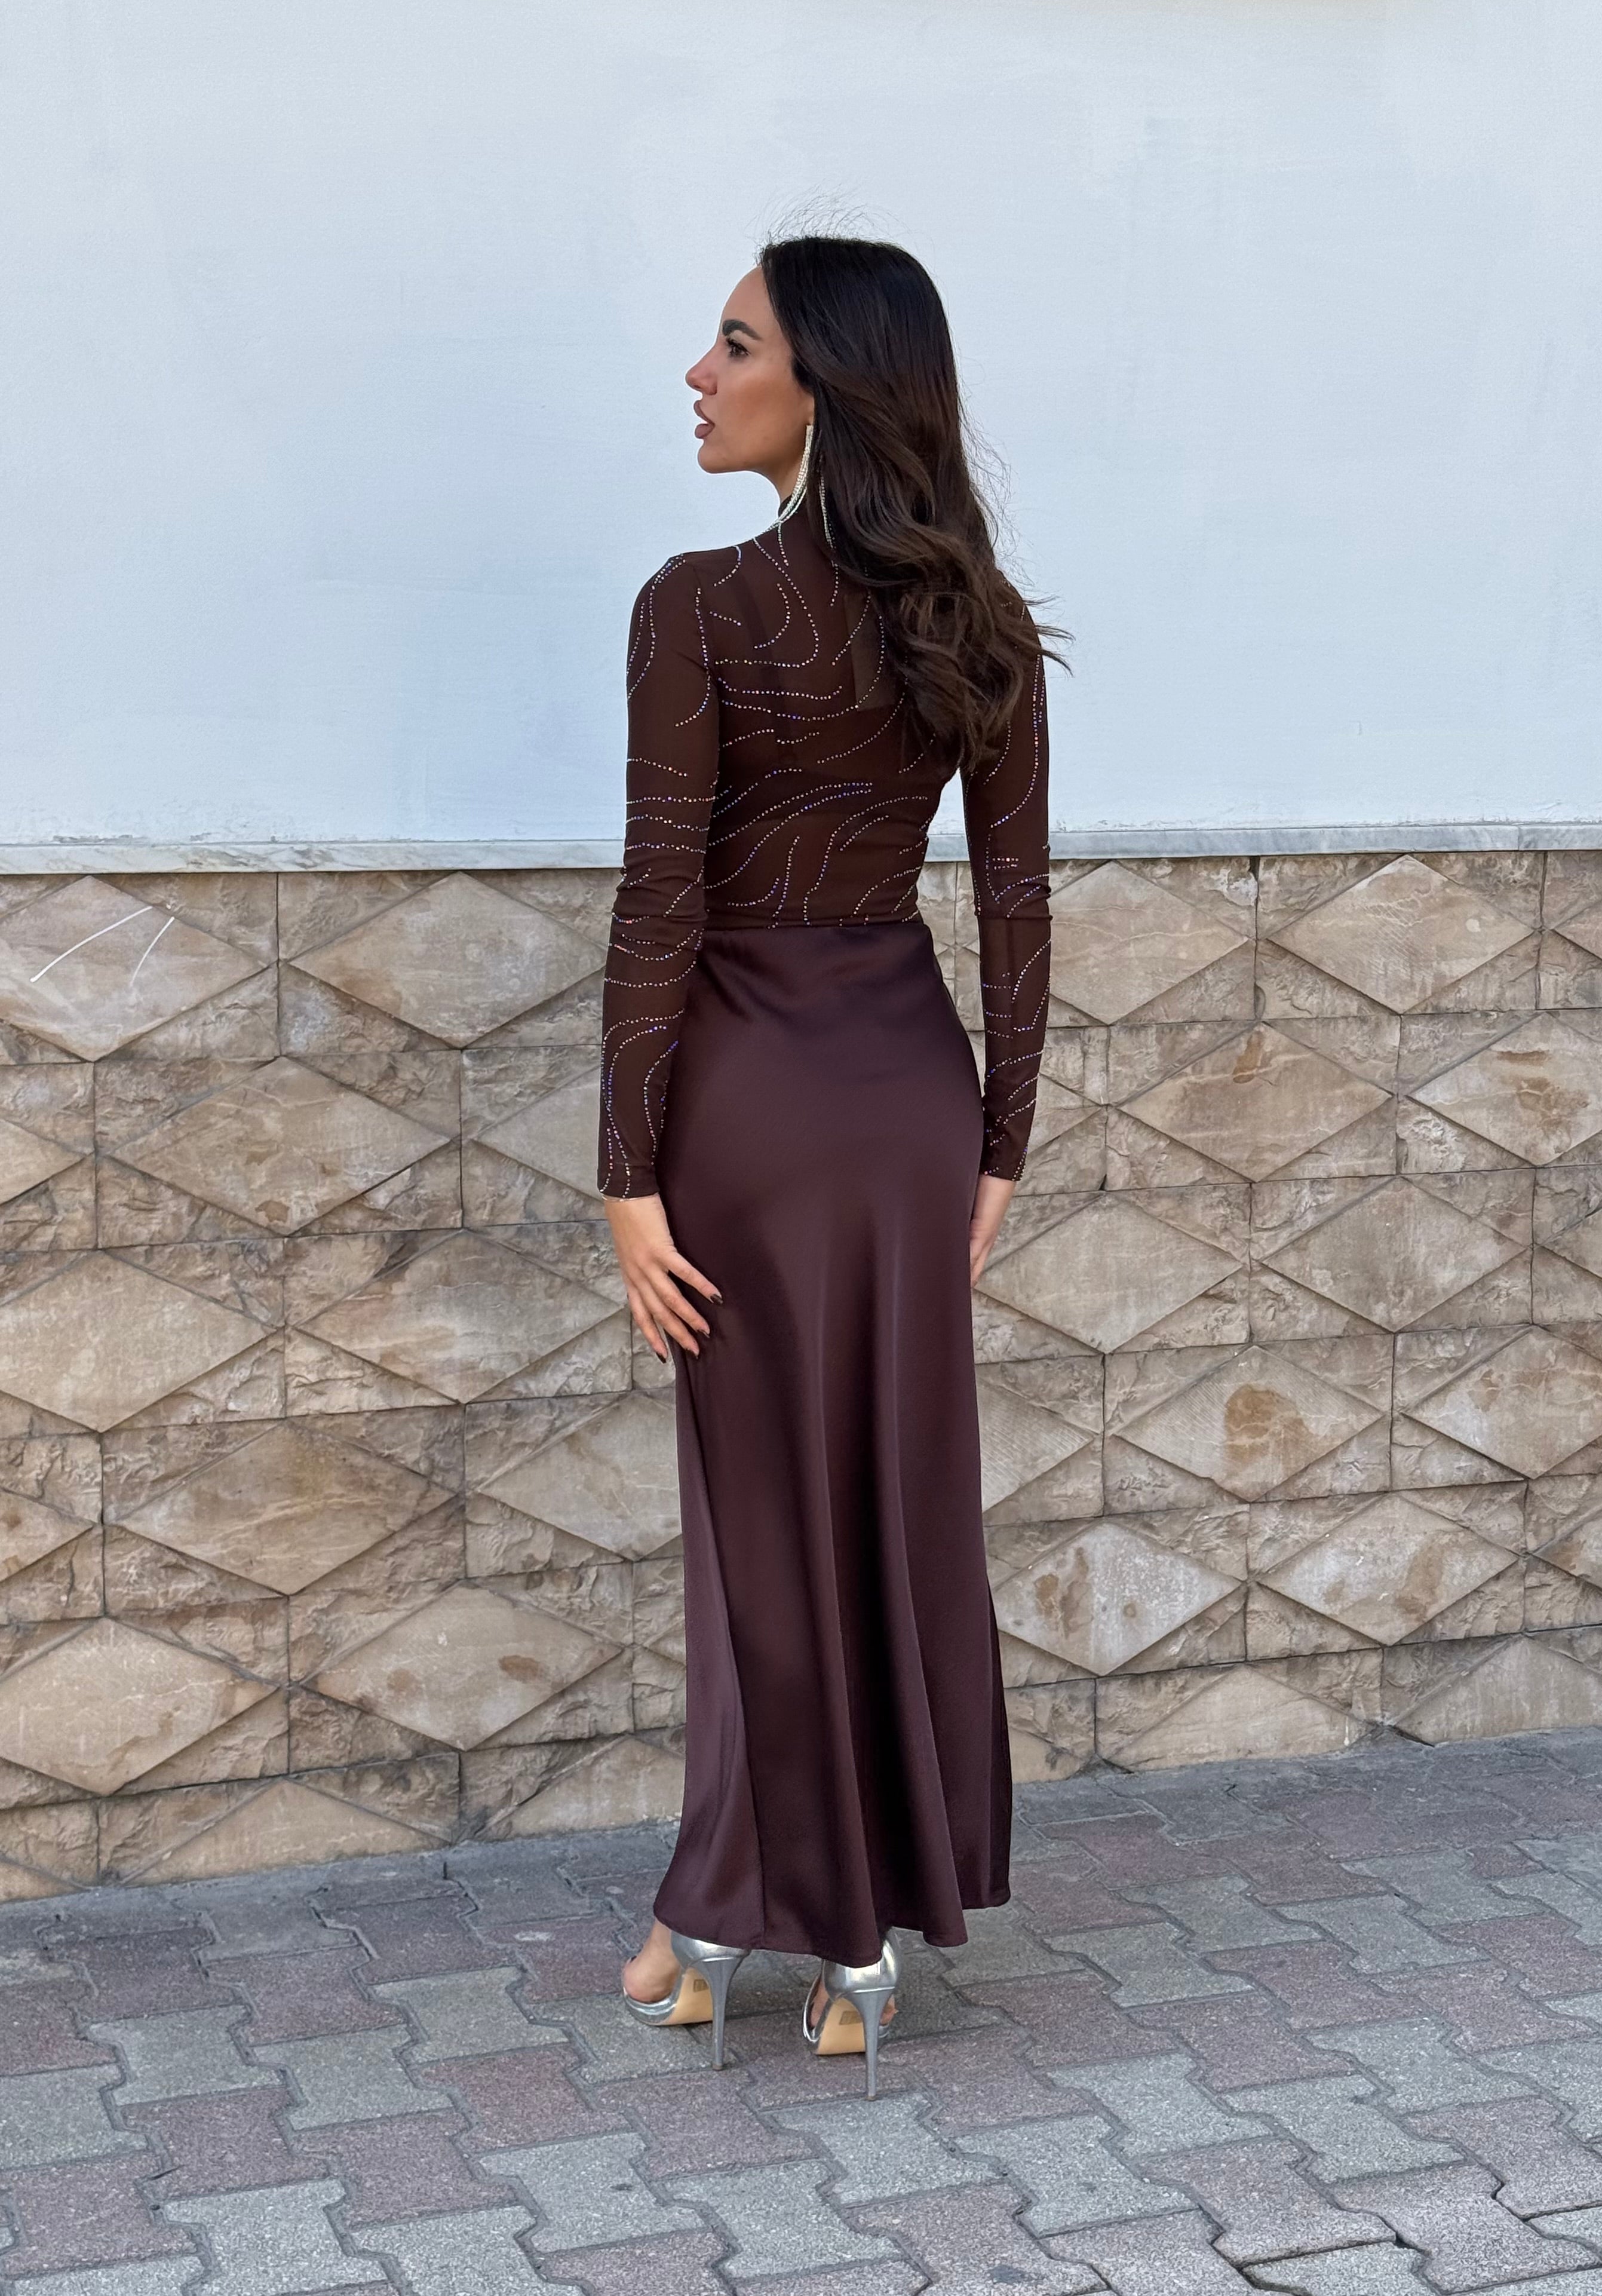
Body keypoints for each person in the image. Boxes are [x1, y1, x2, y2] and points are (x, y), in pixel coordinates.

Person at [597, 234, 1053, 2096]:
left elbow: (661, 901)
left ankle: (766, 1921)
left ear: (827, 386)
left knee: (762, 1526)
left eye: (733, 343)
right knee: (892, 1501)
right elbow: (1014, 904)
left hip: (748, 1103)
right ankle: (813, 1927)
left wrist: (625, 1174)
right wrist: (999, 1142)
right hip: (908, 1101)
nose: (696, 375)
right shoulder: (975, 618)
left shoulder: (697, 604)